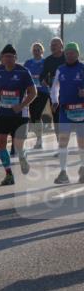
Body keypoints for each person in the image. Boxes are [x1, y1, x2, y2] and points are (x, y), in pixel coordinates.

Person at [0, 44, 36, 185]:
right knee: (1, 143)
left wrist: (21, 105)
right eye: (5, 56)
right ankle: (8, 174)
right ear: (1, 58)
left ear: (15, 58)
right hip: (3, 112)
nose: (8, 59)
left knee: (18, 145)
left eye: (11, 57)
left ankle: (23, 157)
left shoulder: (23, 72)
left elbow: (33, 93)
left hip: (20, 114)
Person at [50, 41, 84, 184]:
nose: (70, 55)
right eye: (68, 53)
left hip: (81, 111)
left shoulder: (83, 68)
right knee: (63, 143)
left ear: (78, 54)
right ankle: (63, 172)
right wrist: (54, 100)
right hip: (65, 111)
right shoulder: (60, 69)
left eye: (73, 53)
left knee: (81, 144)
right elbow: (54, 88)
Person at [24, 42, 49, 150]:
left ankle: (39, 140)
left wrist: (47, 81)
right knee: (33, 117)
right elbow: (23, 76)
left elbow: (51, 74)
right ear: (32, 51)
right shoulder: (28, 63)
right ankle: (39, 136)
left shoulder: (46, 62)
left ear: (42, 51)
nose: (36, 52)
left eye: (38, 50)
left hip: (43, 92)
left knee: (37, 114)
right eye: (34, 50)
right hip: (31, 92)